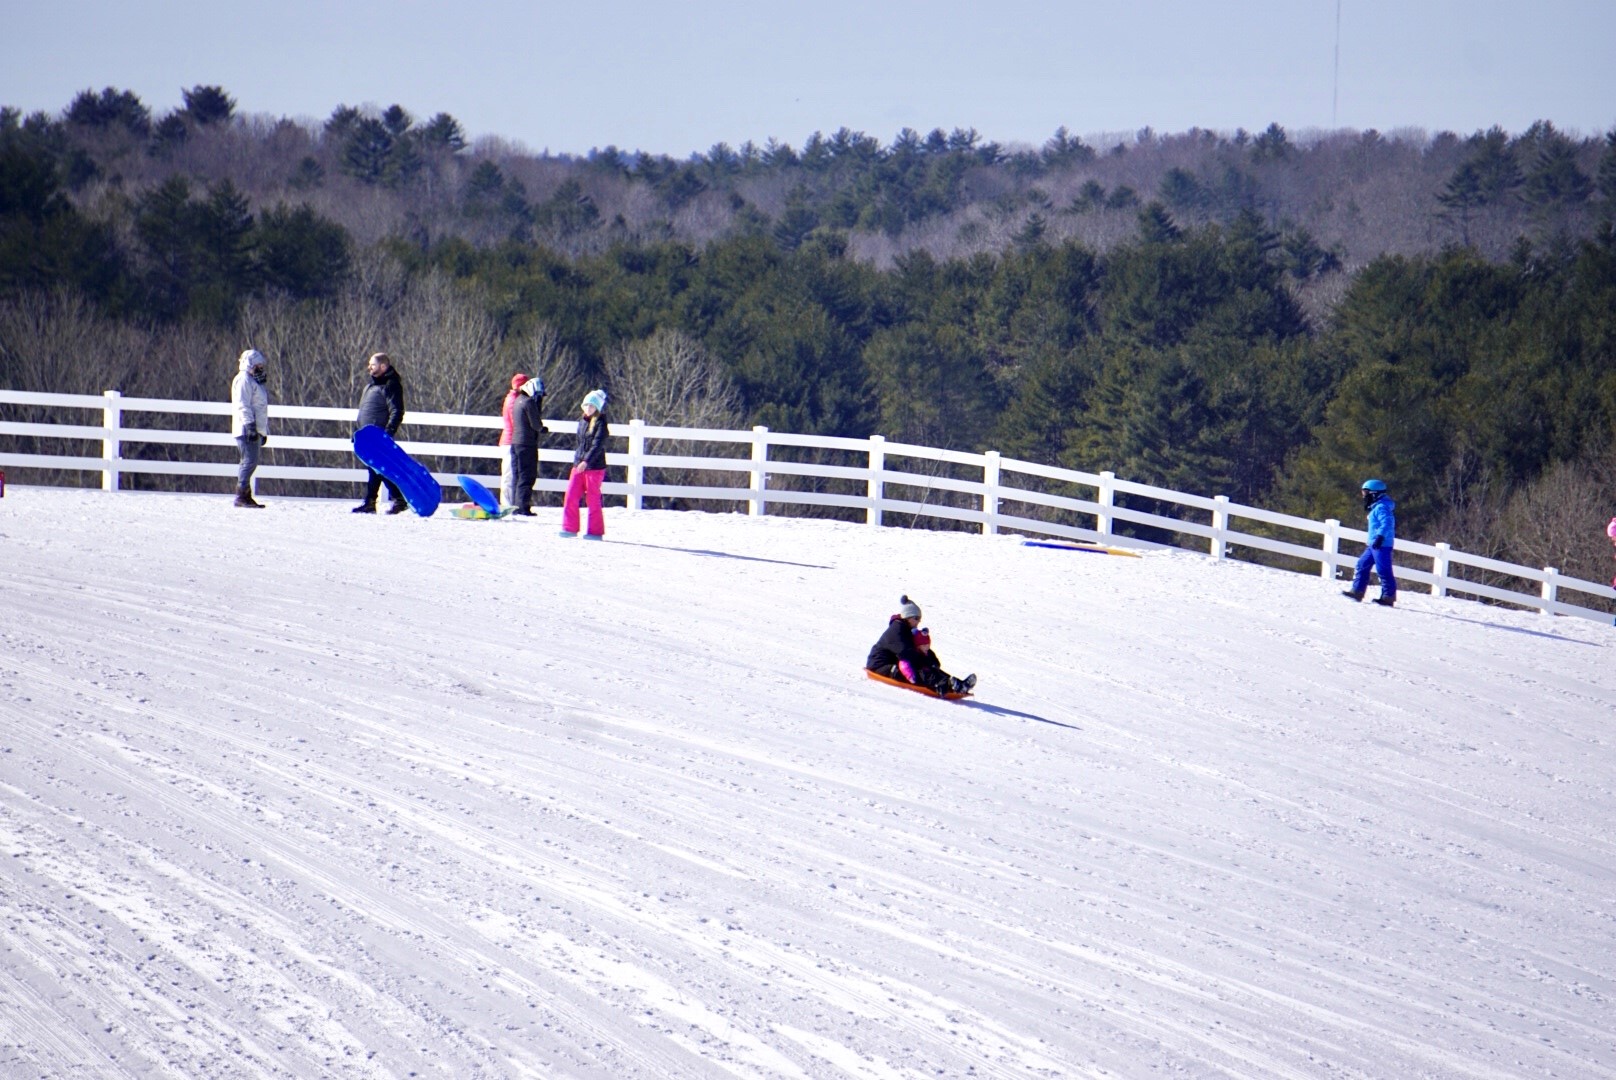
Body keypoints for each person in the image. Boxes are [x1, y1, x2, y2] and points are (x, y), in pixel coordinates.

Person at [865, 595, 976, 696]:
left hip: (894, 662)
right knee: (920, 671)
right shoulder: (897, 631)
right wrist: (926, 662)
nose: (918, 622)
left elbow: (919, 647)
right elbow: (907, 653)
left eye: (920, 619)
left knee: (926, 667)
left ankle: (957, 684)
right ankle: (942, 685)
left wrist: (931, 661)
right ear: (908, 617)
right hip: (880, 666)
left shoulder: (906, 629)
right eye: (916, 618)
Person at [353, 352, 407, 514]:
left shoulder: (391, 385)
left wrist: (388, 433)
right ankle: (371, 502)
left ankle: (399, 499)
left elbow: (397, 411)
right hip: (367, 435)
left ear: (383, 366)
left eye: (373, 365)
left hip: (378, 435)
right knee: (374, 469)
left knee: (380, 469)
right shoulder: (371, 386)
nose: (369, 367)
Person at [559, 389, 610, 538]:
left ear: (597, 408)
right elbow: (580, 444)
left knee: (593, 499)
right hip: (578, 465)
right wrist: (578, 462)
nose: (589, 408)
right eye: (587, 405)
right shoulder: (582, 421)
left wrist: (586, 461)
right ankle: (569, 527)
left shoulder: (601, 424)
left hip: (594, 467)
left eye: (592, 406)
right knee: (571, 495)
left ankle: (595, 531)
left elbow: (597, 445)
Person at [1343, 478, 1397, 606]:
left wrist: (1380, 537)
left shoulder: (1381, 507)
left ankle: (1388, 597)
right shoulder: (1376, 507)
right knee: (1362, 565)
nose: (1363, 496)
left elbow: (1388, 523)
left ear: (1374, 493)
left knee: (1383, 570)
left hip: (1381, 545)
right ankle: (1357, 591)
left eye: (1365, 492)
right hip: (1374, 544)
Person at [230, 348, 270, 508]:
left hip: (253, 429)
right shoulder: (243, 380)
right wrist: (250, 427)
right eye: (258, 366)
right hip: (246, 429)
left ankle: (245, 494)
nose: (260, 369)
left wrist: (262, 431)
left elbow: (260, 407)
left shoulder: (253, 381)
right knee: (249, 461)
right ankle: (241, 494)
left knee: (251, 461)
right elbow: (243, 405)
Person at [509, 375, 546, 516]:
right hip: (527, 444)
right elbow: (536, 424)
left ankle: (516, 504)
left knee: (517, 475)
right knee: (527, 476)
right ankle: (523, 506)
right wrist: (543, 428)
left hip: (515, 443)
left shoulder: (518, 400)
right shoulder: (529, 403)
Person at [498, 373, 530, 508]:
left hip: (511, 440)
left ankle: (509, 502)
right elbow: (516, 422)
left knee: (511, 473)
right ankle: (506, 504)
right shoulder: (514, 401)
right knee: (509, 474)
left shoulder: (514, 399)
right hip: (510, 441)